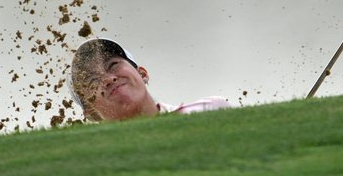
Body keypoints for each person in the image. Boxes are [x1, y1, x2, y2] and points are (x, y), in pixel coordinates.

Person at [68, 38, 232, 121]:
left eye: (112, 65)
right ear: (91, 114)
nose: (109, 79)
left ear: (142, 74)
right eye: (91, 81)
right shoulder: (97, 159)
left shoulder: (211, 110)